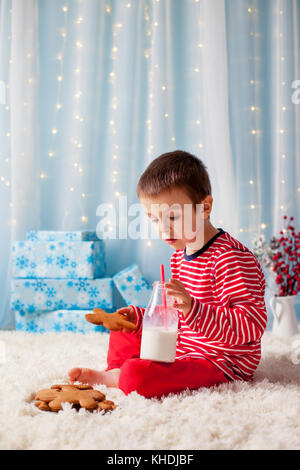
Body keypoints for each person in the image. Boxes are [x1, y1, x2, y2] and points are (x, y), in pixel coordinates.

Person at [69, 150, 267, 399]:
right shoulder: (179, 254)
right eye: (154, 219)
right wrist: (141, 318)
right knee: (122, 326)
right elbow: (175, 318)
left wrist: (194, 309)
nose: (163, 229)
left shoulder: (231, 259)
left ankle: (124, 376)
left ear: (204, 207)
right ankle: (116, 372)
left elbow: (252, 326)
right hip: (184, 347)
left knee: (136, 376)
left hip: (221, 362)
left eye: (173, 217)